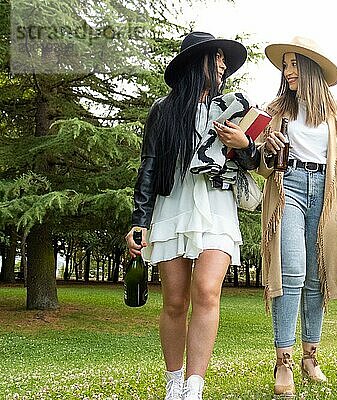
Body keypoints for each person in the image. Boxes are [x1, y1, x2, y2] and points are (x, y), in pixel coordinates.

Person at [125, 32, 258, 400]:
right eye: (215, 57)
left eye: (223, 59)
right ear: (194, 62)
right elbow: (148, 167)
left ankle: (194, 388)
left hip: (217, 208)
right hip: (173, 207)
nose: (222, 64)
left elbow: (257, 162)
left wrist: (243, 146)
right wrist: (140, 220)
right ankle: (174, 383)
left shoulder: (236, 110)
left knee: (207, 292)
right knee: (175, 301)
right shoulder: (164, 111)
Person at [256, 36, 337, 396]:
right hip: (289, 189)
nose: (286, 71)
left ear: (310, 68)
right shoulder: (275, 110)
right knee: (291, 272)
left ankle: (310, 357)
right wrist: (265, 150)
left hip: (327, 194)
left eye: (292, 64)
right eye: (284, 65)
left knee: (317, 278)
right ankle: (283, 360)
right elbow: (259, 165)